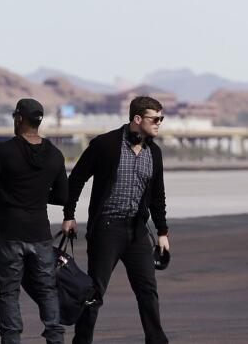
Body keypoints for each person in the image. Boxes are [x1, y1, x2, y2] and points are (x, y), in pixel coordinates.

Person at [63, 95, 170, 344]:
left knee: (148, 292)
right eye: (155, 119)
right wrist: (69, 215)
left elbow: (158, 196)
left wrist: (163, 232)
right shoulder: (106, 145)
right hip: (106, 229)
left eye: (161, 119)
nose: (159, 123)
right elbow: (76, 179)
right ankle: (82, 341)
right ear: (137, 118)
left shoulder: (154, 153)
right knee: (94, 294)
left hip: (137, 231)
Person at [0, 98, 67, 344]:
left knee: (9, 293)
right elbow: (62, 196)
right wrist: (38, 194)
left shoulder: (6, 150)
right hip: (40, 233)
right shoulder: (55, 155)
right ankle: (55, 338)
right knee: (48, 290)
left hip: (9, 232)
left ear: (19, 119)